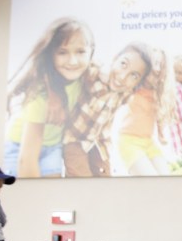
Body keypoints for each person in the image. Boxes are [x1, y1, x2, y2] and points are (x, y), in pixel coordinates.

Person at [5, 18, 98, 178]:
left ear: (91, 52)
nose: (73, 61)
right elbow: (27, 159)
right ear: (51, 55)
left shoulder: (87, 75)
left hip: (53, 146)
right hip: (19, 148)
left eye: (80, 51)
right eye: (62, 52)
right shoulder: (40, 96)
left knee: (53, 190)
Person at [64, 43, 153, 177]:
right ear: (114, 59)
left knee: (105, 177)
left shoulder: (125, 93)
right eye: (123, 64)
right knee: (81, 178)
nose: (123, 77)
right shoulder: (94, 75)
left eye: (133, 76)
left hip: (98, 143)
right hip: (74, 139)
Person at [111, 44, 177, 175]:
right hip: (129, 142)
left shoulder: (157, 93)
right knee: (151, 180)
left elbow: (158, 116)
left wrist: (161, 134)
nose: (157, 69)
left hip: (149, 142)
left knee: (165, 178)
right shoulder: (133, 87)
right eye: (154, 63)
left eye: (161, 65)